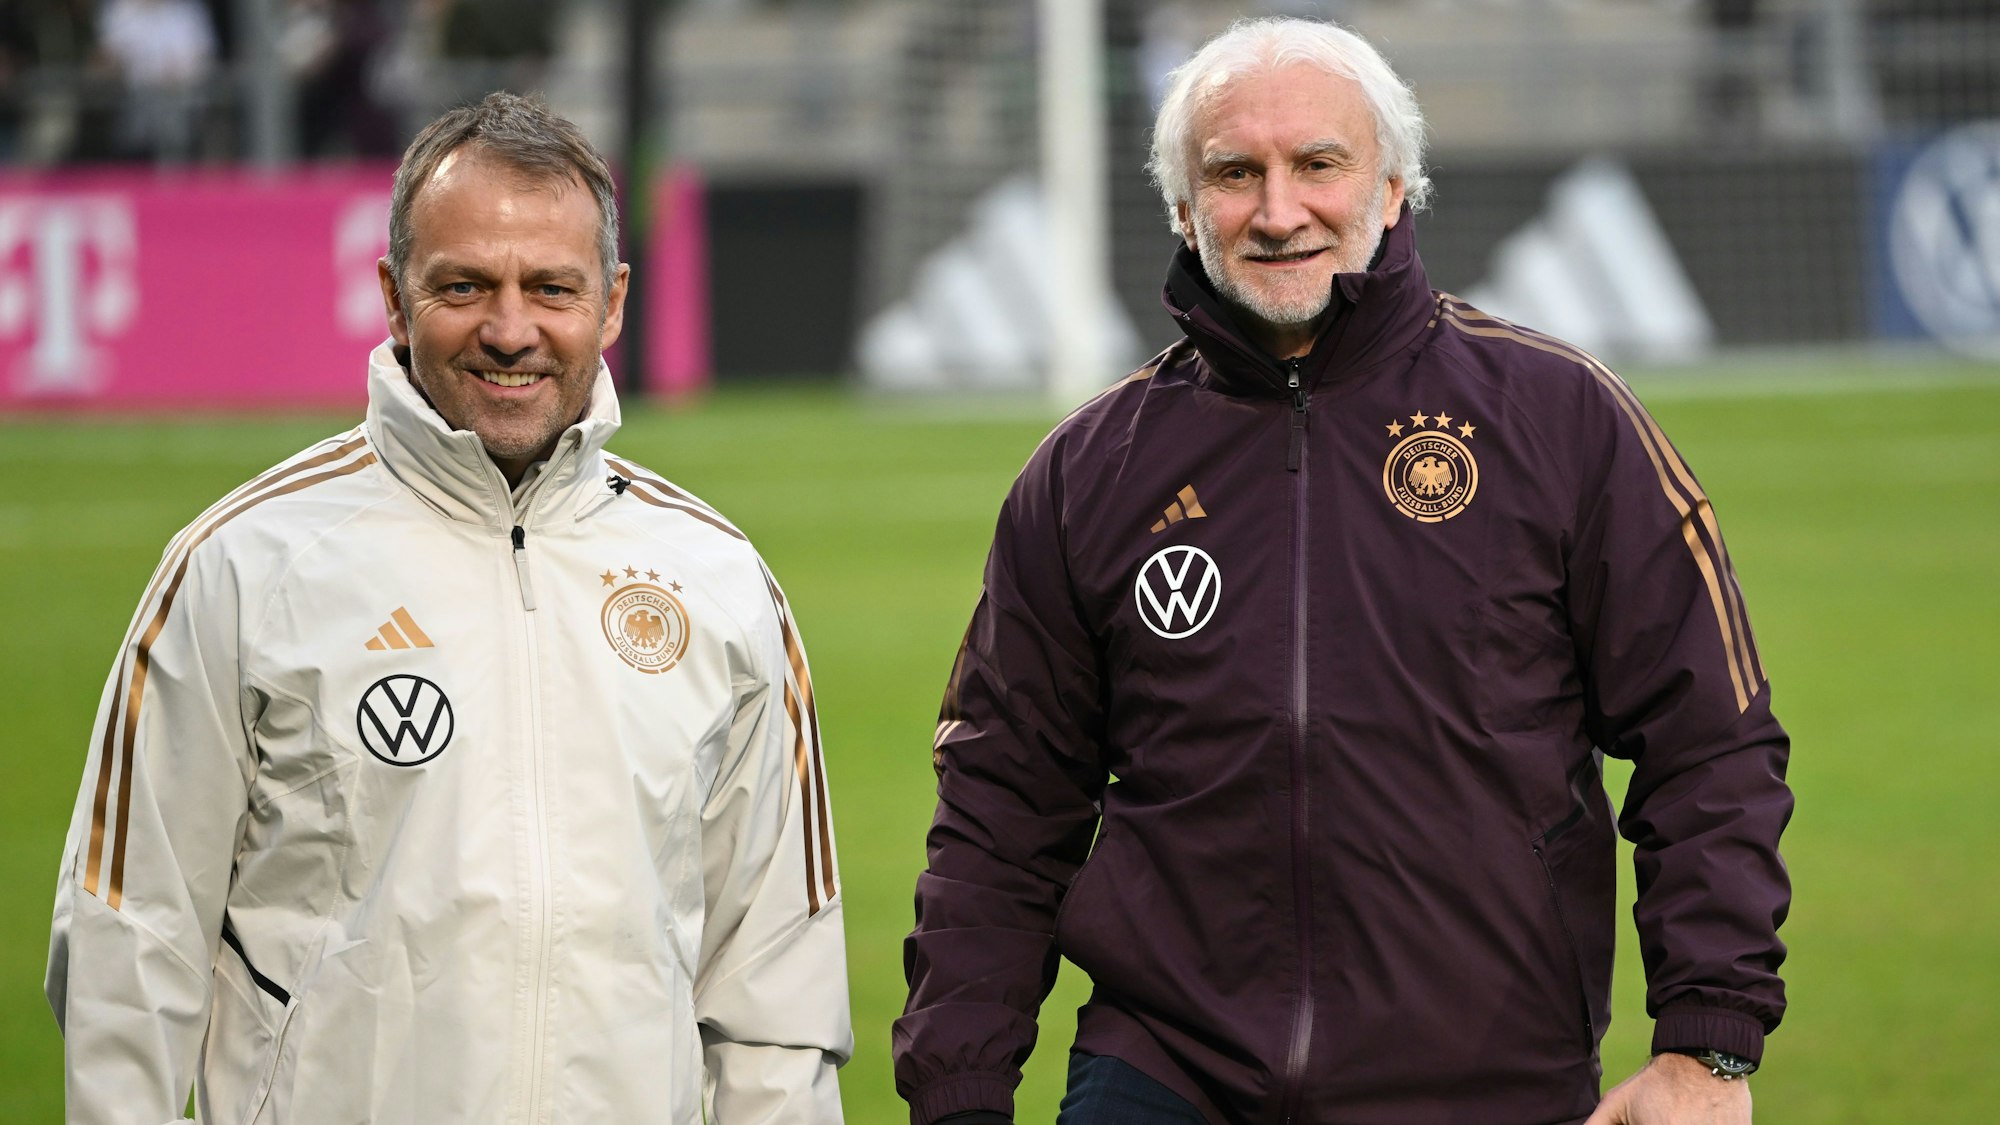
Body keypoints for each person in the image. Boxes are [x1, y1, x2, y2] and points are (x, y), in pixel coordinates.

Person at [895, 17, 1789, 1125]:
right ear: (1181, 208)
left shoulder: (1560, 421)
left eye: (1318, 164)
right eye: (1233, 174)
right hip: (1165, 1072)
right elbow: (1002, 806)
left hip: (1482, 1073)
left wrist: (1707, 1044)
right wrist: (959, 1091)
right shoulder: (1085, 472)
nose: (1278, 212)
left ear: (1393, 188)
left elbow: (1709, 741)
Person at [47, 92, 850, 1123]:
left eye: (551, 288)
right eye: (465, 285)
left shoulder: (720, 582)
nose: (510, 330)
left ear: (610, 304)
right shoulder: (240, 569)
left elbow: (773, 980)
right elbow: (131, 939)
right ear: (392, 295)